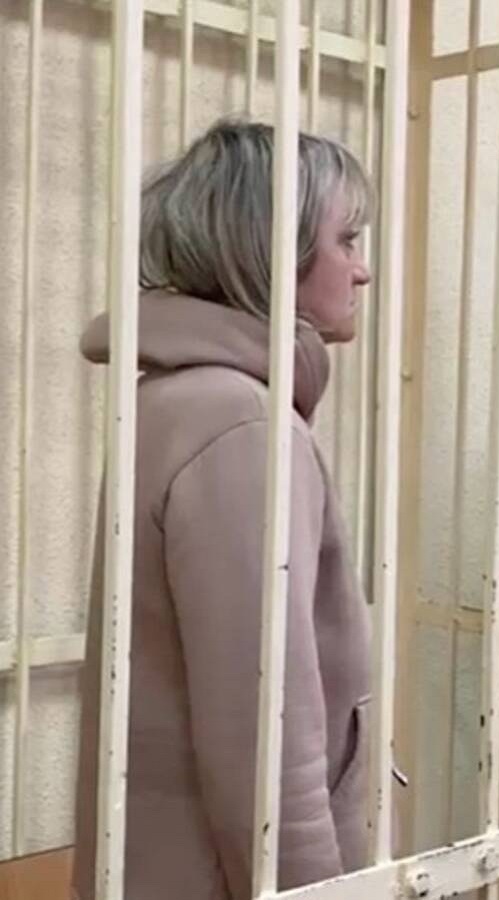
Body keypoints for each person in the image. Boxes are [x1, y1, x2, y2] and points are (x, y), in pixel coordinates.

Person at [72, 120, 374, 900]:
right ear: (270, 252)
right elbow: (264, 741)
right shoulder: (243, 423)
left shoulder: (174, 395)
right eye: (346, 239)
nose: (363, 269)